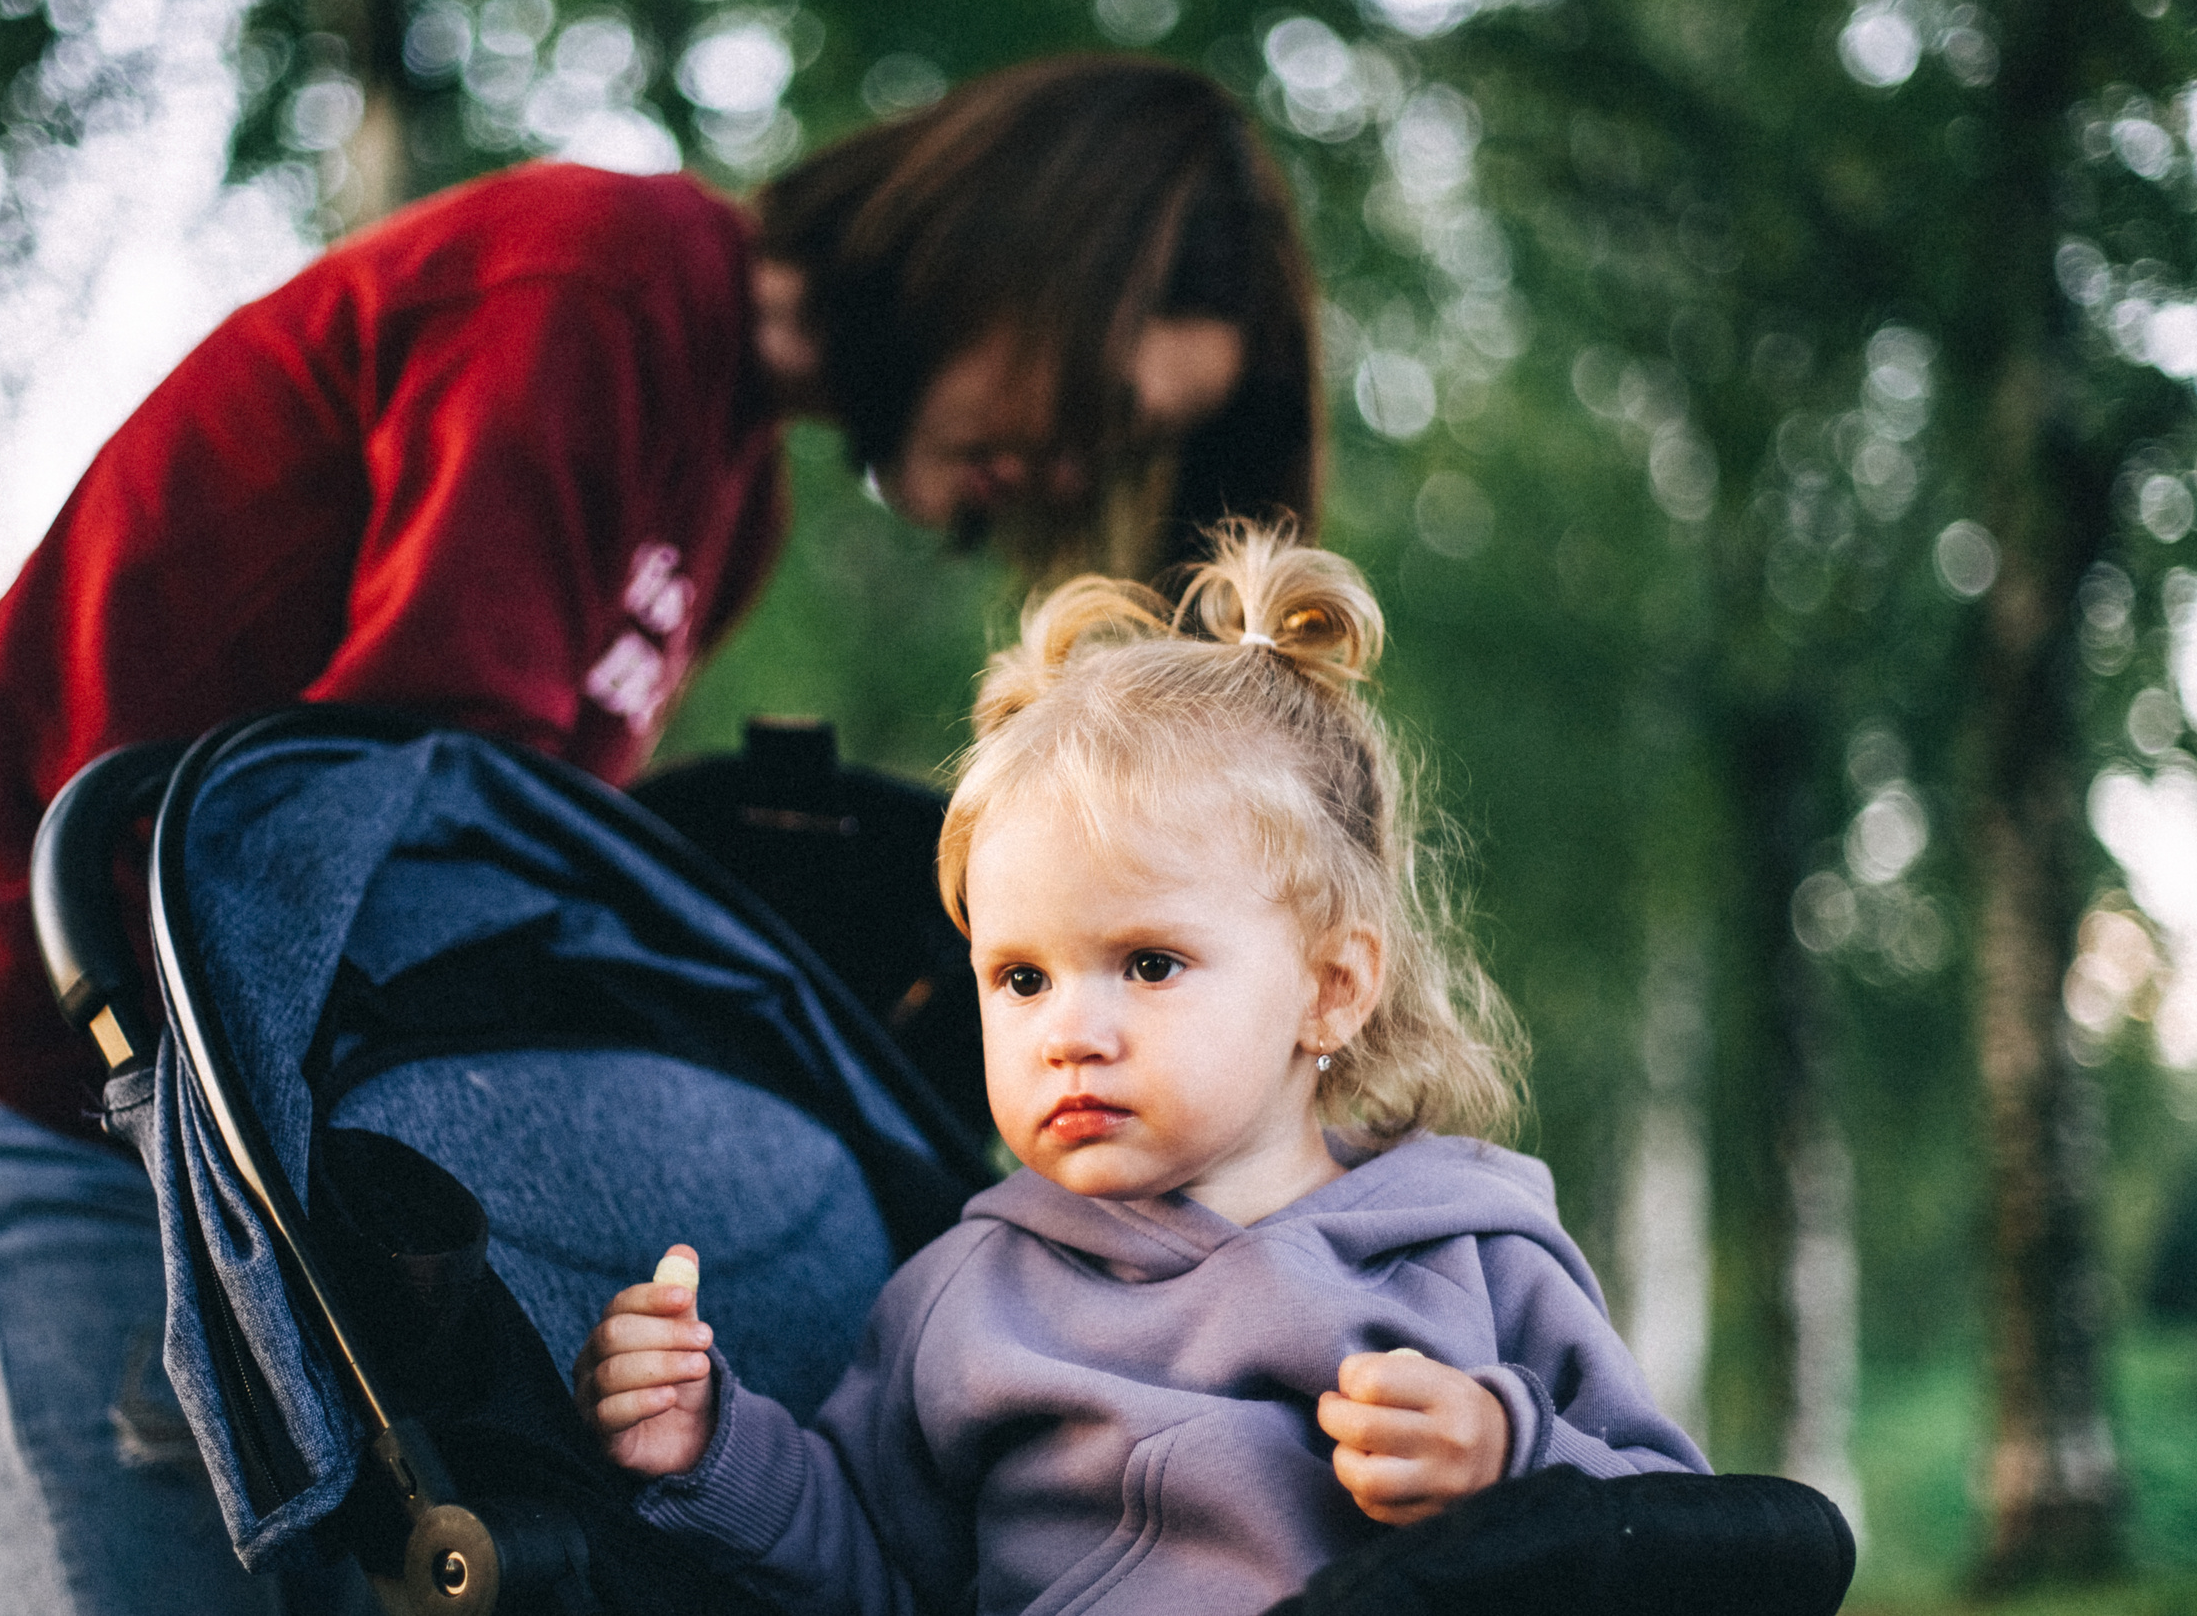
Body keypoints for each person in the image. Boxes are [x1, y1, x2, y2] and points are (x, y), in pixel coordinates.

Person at [0, 55, 1320, 1615]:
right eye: (1096, 408)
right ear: (1021, 254)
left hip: (219, 1161)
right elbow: (384, 838)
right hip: (14, 1096)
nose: (1069, 472)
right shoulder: (594, 285)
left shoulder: (732, 491)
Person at [574, 524, 1708, 1616]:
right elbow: (873, 1569)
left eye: (1149, 964)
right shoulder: (965, 1296)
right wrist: (709, 1444)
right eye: (1021, 978)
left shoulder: (1474, 1259)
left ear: (1331, 987)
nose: (1070, 1032)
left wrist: (1510, 1458)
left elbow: (1695, 1543)